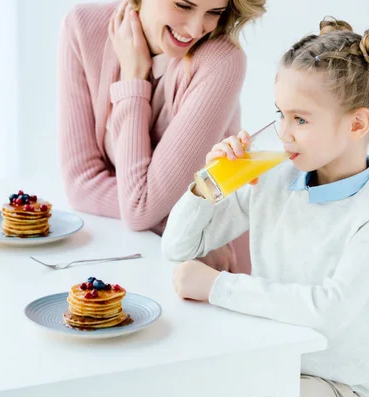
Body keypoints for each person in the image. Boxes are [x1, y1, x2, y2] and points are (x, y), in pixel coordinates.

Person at [162, 17, 369, 397]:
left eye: (300, 119)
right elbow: (179, 248)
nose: (283, 132)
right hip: (268, 358)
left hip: (333, 382)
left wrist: (218, 286)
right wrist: (207, 184)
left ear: (358, 124)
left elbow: (329, 311)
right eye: (281, 114)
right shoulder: (277, 177)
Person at [57, 0, 265, 272]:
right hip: (140, 249)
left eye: (214, 12)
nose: (195, 28)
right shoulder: (84, 28)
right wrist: (176, 218)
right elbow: (81, 184)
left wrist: (132, 80)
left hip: (204, 267)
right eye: (183, 5)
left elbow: (139, 208)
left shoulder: (221, 60)